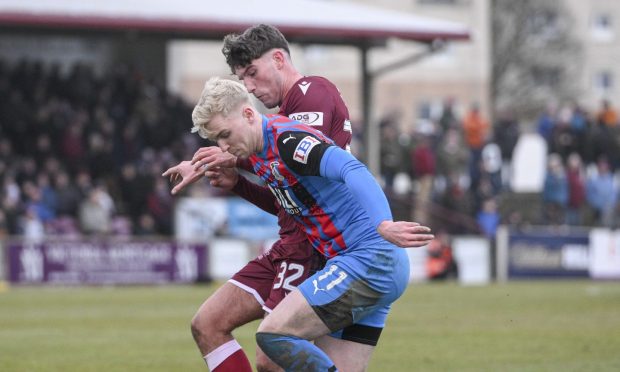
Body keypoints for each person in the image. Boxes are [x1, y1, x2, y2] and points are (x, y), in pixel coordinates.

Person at [162, 24, 433, 372]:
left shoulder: (305, 100)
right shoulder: (266, 143)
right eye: (241, 78)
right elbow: (291, 197)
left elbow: (342, 168)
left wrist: (383, 223)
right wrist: (230, 174)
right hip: (344, 255)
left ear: (278, 59)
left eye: (252, 73)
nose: (249, 86)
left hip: (349, 255)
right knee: (212, 325)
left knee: (273, 345)